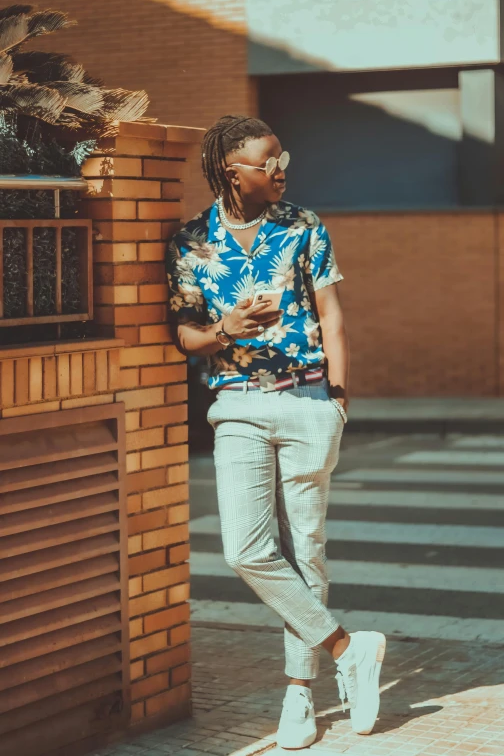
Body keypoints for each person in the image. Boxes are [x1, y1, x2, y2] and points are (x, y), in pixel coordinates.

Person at [166, 114, 386, 750]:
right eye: (267, 161)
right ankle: (350, 647)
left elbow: (333, 318)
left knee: (305, 550)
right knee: (246, 549)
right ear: (232, 173)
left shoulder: (305, 227)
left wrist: (338, 402)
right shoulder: (190, 244)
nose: (281, 168)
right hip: (236, 406)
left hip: (309, 400)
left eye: (282, 156)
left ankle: (299, 693)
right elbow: (186, 336)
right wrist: (228, 326)